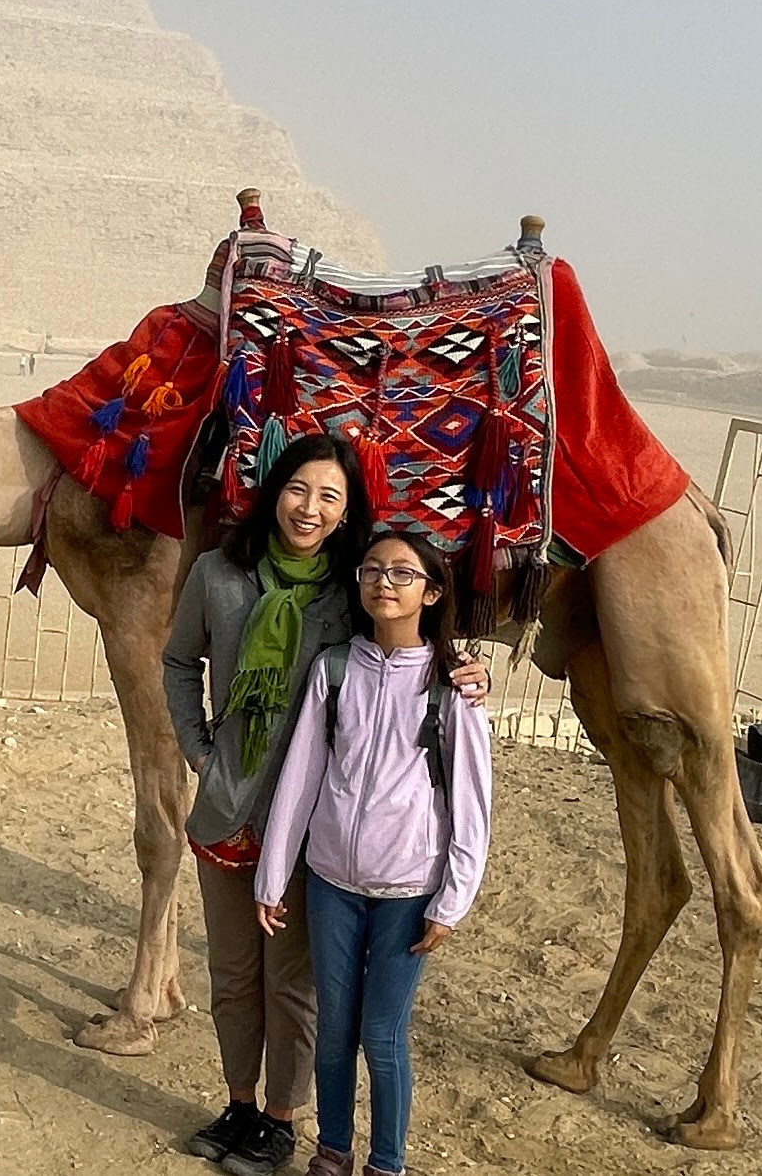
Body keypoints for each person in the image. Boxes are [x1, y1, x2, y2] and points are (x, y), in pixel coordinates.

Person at [166, 437, 487, 1175]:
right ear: (274, 491)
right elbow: (179, 660)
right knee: (233, 975)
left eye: (329, 497)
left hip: (317, 828)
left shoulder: (353, 593)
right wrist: (196, 747)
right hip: (227, 808)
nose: (309, 508)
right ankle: (239, 1104)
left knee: (292, 983)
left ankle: (282, 1119)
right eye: (298, 490)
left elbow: (407, 653)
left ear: (347, 514)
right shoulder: (218, 575)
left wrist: (463, 670)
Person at [256, 530, 495, 1176]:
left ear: (432, 590)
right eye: (372, 571)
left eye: (402, 573)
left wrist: (453, 900)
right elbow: (302, 775)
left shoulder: (453, 688)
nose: (384, 583)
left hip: (409, 890)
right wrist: (273, 874)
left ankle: (386, 1163)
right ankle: (333, 1150)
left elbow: (471, 803)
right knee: (334, 1028)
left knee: (381, 1035)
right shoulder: (334, 670)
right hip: (332, 879)